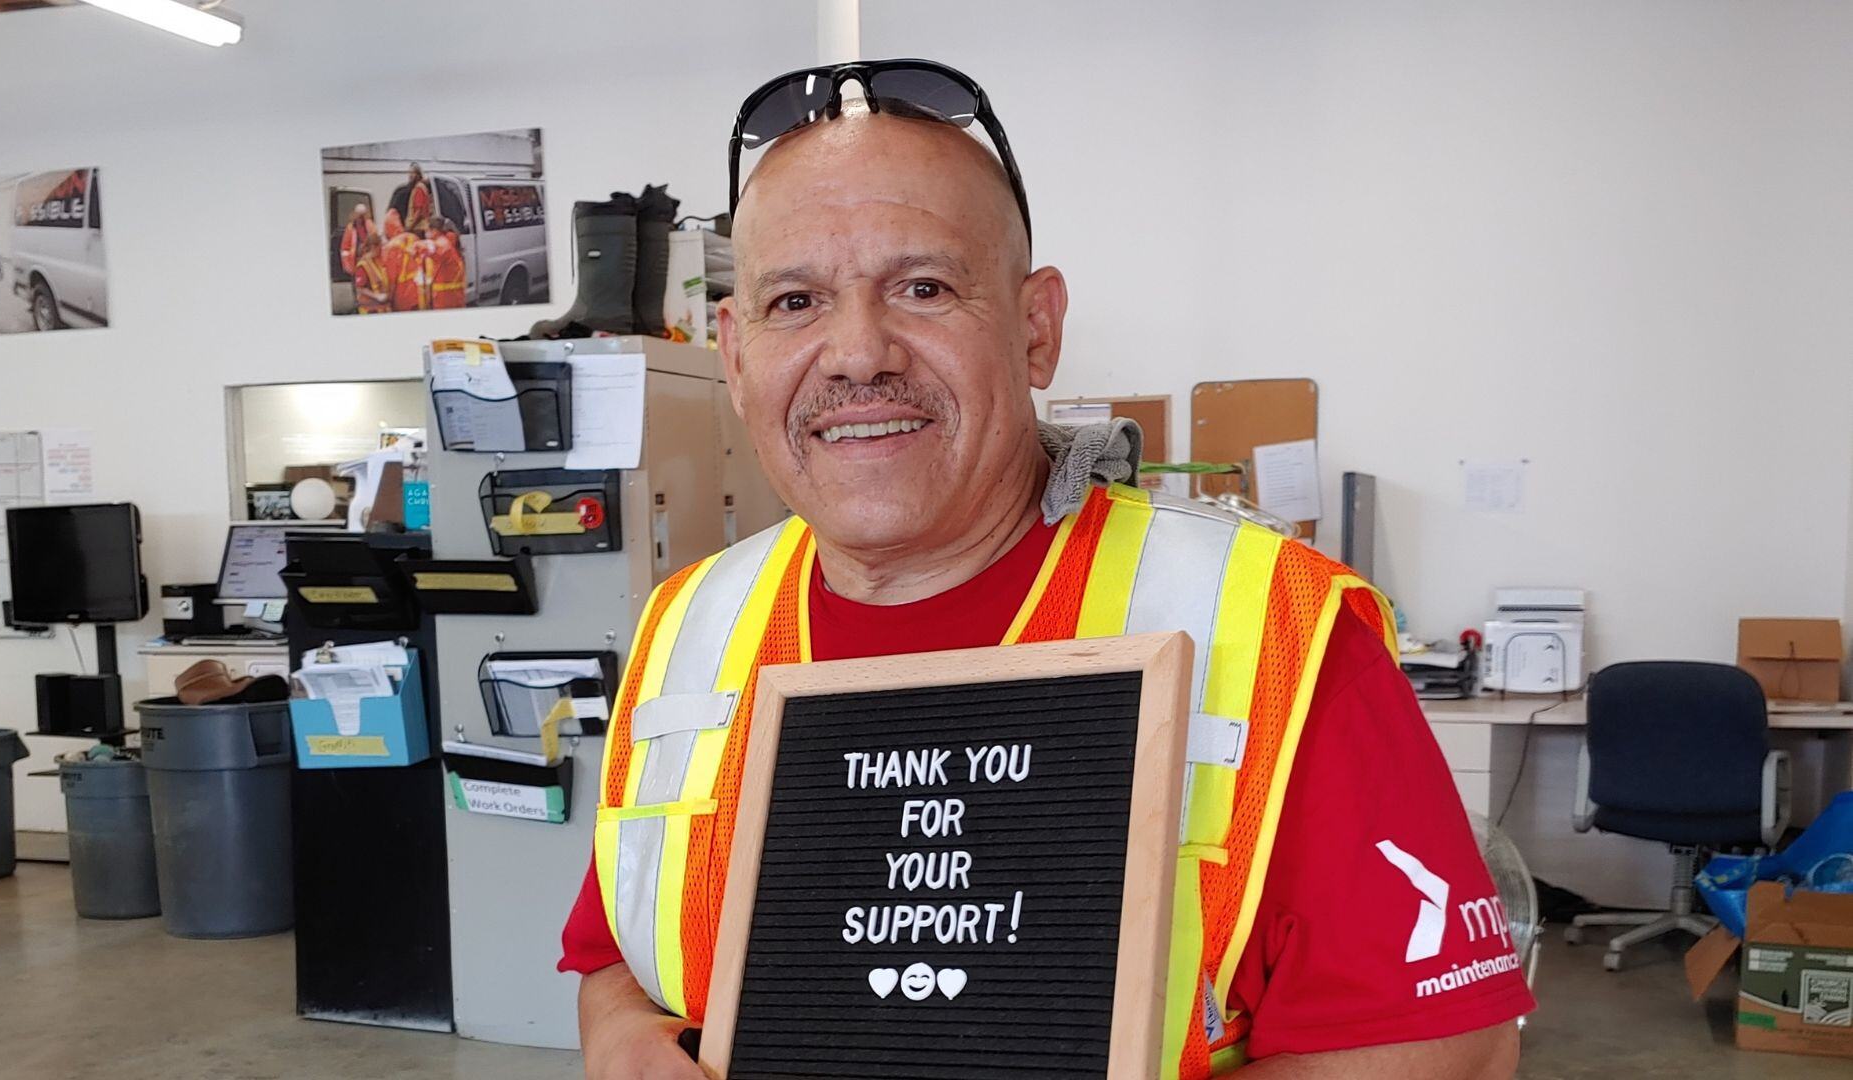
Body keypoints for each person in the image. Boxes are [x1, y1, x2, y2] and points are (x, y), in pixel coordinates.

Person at [562, 61, 1530, 1079]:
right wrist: (623, 1033)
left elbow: (1446, 1053)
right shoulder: (686, 628)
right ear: (735, 351)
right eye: (794, 301)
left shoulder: (1276, 629)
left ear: (1036, 328)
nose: (856, 353)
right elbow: (611, 954)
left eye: (922, 287)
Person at [426, 218, 466, 309]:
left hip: (444, 300)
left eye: (428, 230)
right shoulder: (452, 245)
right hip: (456, 297)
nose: (427, 234)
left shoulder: (441, 247)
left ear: (435, 231)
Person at [353, 230, 391, 315]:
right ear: (374, 247)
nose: (381, 251)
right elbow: (360, 288)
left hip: (380, 306)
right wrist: (377, 296)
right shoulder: (362, 265)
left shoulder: (377, 261)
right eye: (380, 248)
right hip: (369, 308)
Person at [338, 202, 373, 277]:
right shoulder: (350, 228)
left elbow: (375, 242)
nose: (360, 218)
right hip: (355, 263)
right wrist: (347, 265)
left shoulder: (370, 226)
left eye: (362, 216)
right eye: (359, 215)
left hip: (369, 262)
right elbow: (345, 248)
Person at [403, 163, 432, 235]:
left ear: (418, 175)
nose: (410, 175)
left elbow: (419, 211)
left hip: (418, 228)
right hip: (418, 227)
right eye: (409, 173)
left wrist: (410, 227)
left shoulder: (419, 189)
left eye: (412, 173)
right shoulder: (420, 187)